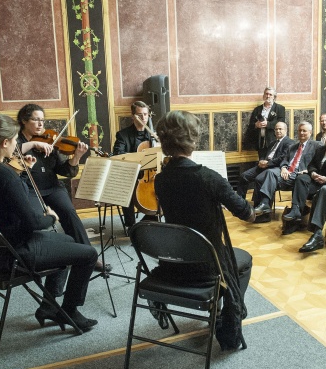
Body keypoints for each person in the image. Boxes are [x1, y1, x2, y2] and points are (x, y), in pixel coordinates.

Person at [0, 114, 99, 331]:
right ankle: (70, 310)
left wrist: (20, 173)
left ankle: (48, 306)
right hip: (17, 252)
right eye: (14, 141)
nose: (16, 146)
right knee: (88, 254)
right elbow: (32, 222)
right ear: (4, 143)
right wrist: (51, 216)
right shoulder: (6, 176)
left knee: (66, 239)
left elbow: (5, 197)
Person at [153, 110, 254, 350]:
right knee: (245, 260)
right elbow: (247, 215)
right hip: (206, 268)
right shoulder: (208, 177)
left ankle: (223, 309)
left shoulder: (160, 179)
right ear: (192, 140)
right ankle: (229, 324)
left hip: (172, 263)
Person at [16, 104, 109, 273]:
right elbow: (11, 153)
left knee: (69, 212)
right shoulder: (16, 140)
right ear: (24, 120)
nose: (40, 124)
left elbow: (65, 171)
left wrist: (77, 156)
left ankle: (89, 255)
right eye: (36, 120)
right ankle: (38, 257)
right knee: (35, 220)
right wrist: (33, 144)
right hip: (29, 190)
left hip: (52, 187)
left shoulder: (50, 140)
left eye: (42, 120)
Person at [282, 126, 326, 232]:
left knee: (302, 190)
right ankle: (296, 210)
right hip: (315, 179)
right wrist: (313, 173)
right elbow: (311, 165)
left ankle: (296, 219)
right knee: (301, 178)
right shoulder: (320, 149)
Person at [252, 122, 321, 219]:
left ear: (310, 132)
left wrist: (308, 170)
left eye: (304, 131)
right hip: (287, 172)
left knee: (269, 174)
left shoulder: (316, 146)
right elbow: (285, 160)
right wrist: (284, 168)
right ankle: (265, 204)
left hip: (300, 174)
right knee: (269, 172)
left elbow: (320, 163)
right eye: (300, 131)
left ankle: (266, 205)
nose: (301, 133)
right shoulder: (292, 147)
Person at [113, 101, 158, 229]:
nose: (143, 118)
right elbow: (118, 154)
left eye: (145, 114)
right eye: (139, 115)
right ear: (133, 116)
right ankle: (131, 224)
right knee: (125, 188)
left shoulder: (153, 135)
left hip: (151, 174)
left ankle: (150, 219)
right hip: (131, 174)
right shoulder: (123, 135)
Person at [237, 121, 293, 202]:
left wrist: (268, 163)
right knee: (244, 176)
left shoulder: (289, 142)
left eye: (280, 129)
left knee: (259, 179)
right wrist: (261, 161)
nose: (278, 131)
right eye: (276, 129)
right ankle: (239, 201)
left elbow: (283, 158)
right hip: (263, 165)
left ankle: (259, 205)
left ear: (286, 130)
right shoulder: (273, 142)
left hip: (274, 168)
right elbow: (264, 153)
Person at [243, 87, 286, 153]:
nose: (268, 96)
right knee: (261, 161)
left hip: (273, 140)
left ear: (274, 97)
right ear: (263, 95)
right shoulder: (257, 109)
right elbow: (250, 125)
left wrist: (268, 124)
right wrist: (256, 125)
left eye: (270, 94)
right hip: (260, 142)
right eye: (266, 94)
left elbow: (281, 122)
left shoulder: (280, 108)